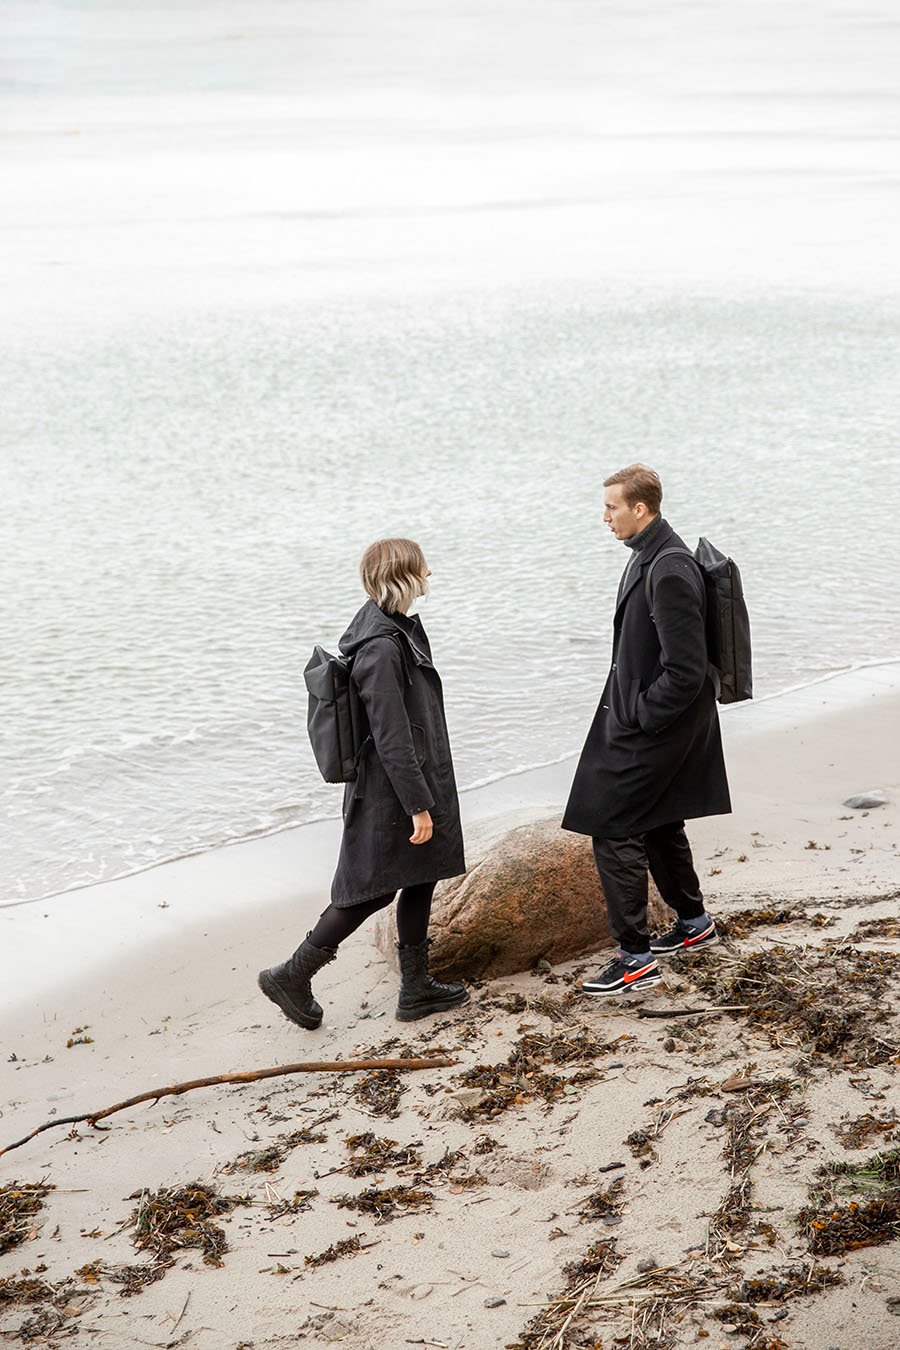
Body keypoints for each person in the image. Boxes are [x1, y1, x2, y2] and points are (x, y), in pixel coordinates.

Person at [258, 538, 469, 1027]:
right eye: (422, 567)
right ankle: (291, 975)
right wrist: (417, 805)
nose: (429, 574)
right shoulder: (380, 646)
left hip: (409, 782)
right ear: (403, 576)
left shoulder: (392, 629)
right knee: (370, 890)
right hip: (389, 792)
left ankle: (416, 988)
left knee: (421, 876)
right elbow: (391, 735)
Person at [562, 464, 731, 996]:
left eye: (611, 507)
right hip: (649, 715)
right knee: (658, 818)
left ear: (641, 508)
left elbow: (686, 670)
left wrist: (640, 715)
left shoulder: (670, 569)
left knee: (612, 825)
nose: (604, 516)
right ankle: (693, 923)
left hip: (657, 723)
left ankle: (634, 959)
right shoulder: (647, 554)